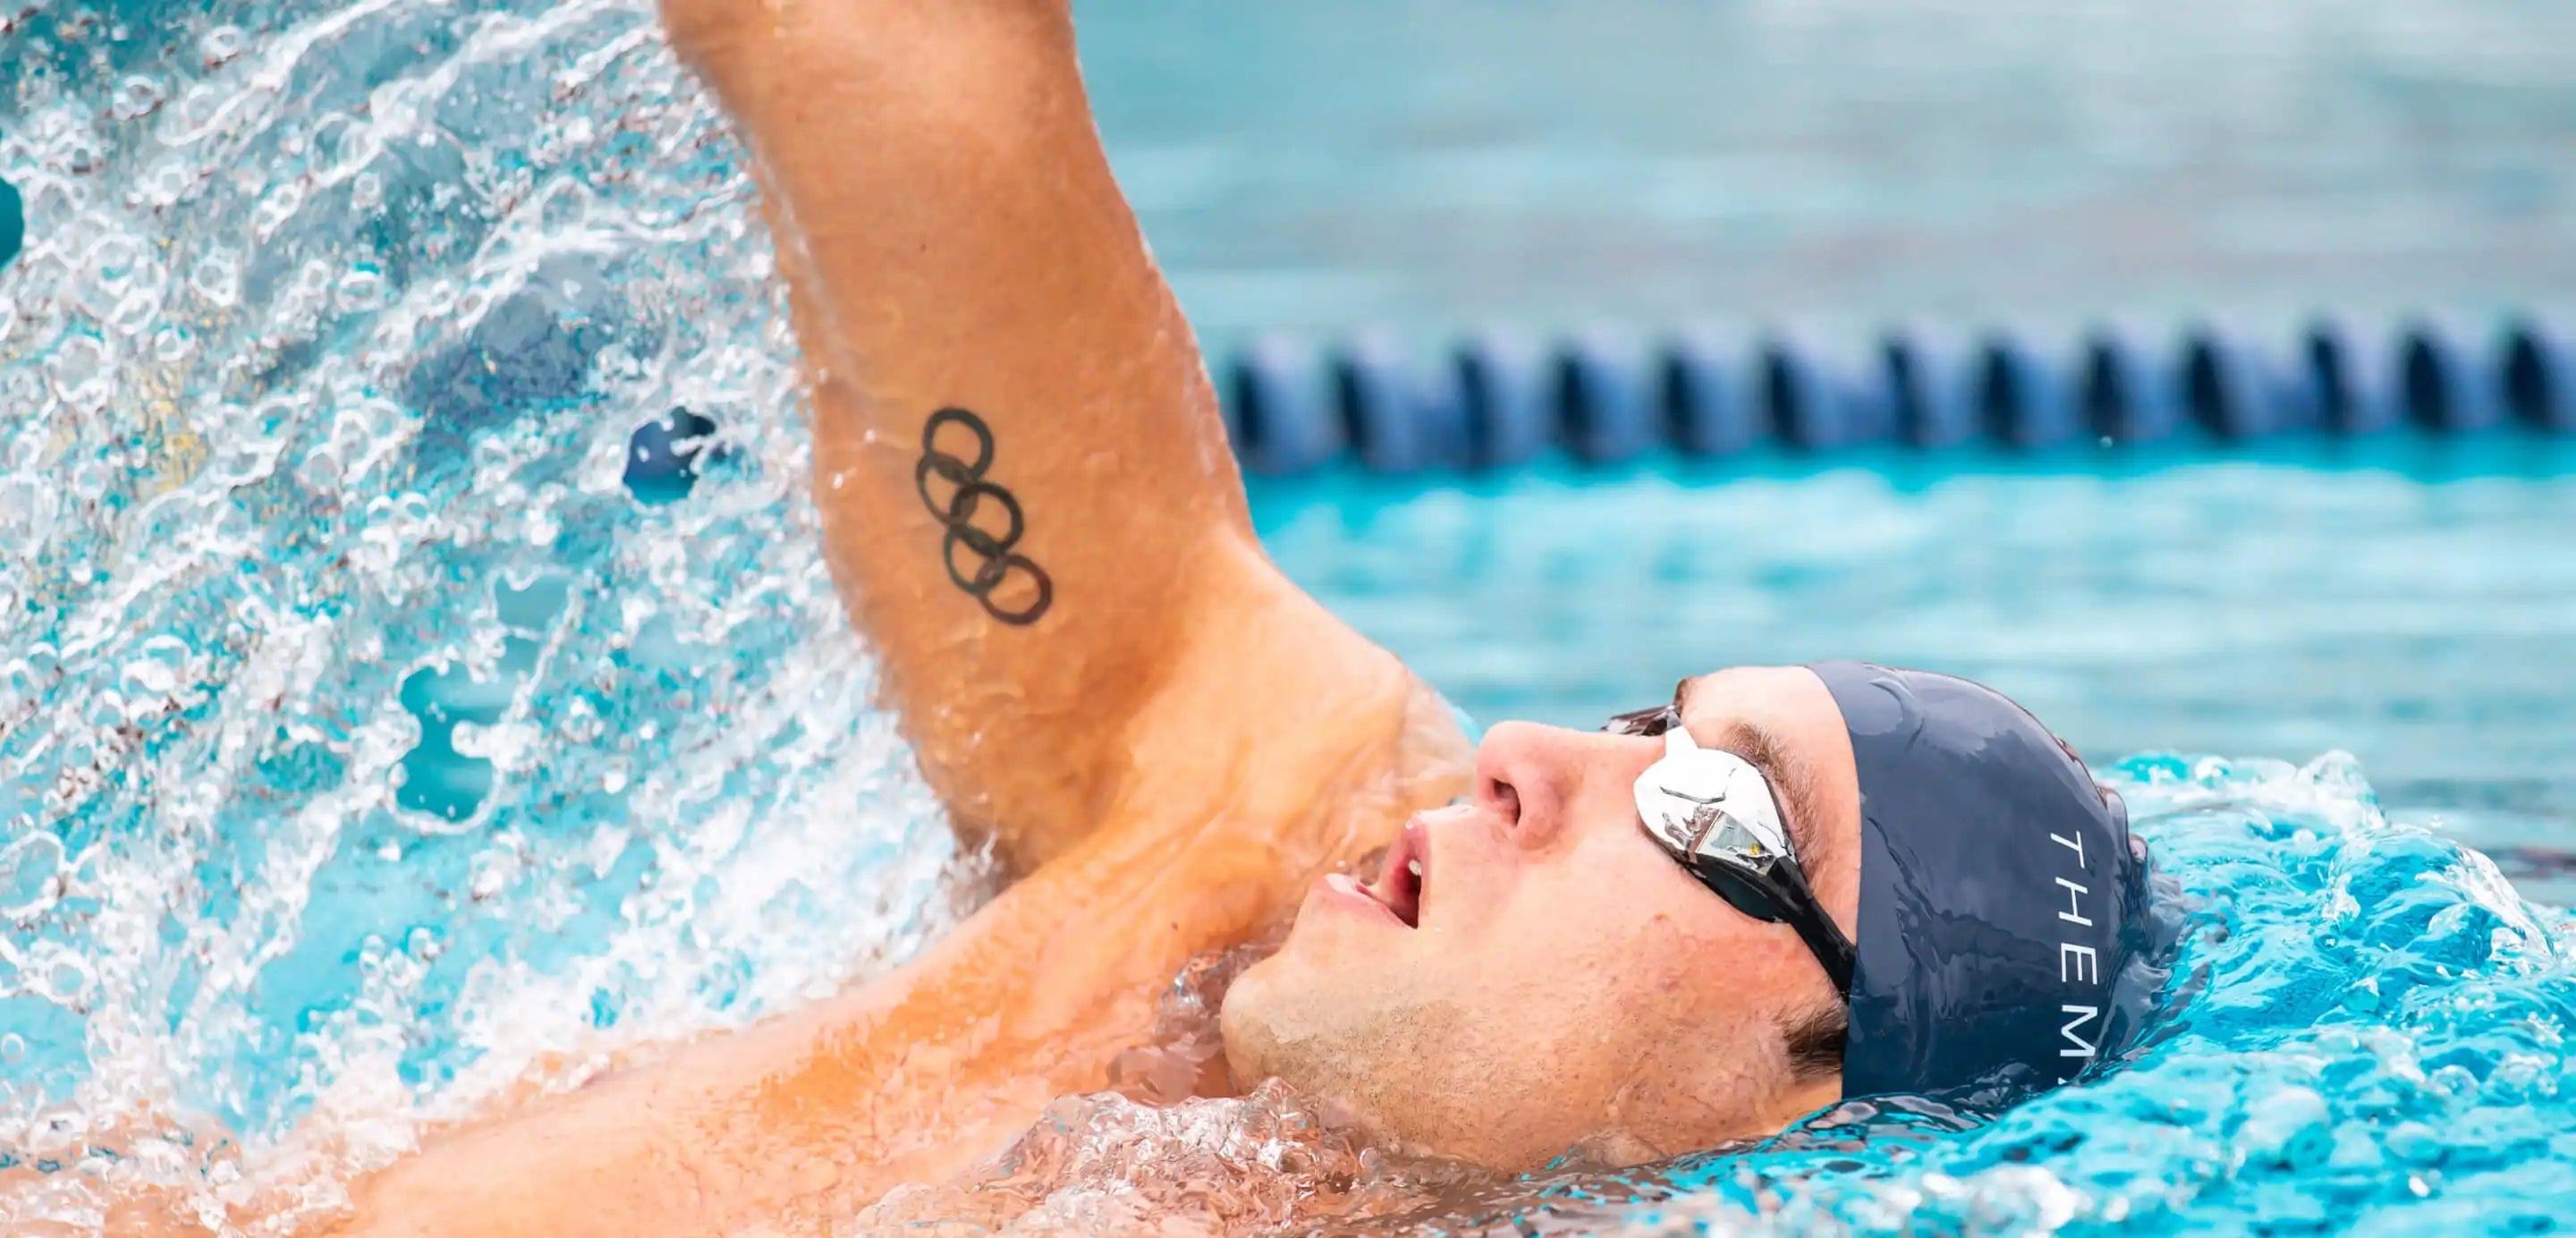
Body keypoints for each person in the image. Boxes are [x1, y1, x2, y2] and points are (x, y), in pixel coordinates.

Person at [123, 2, 2157, 1234]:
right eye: (1647, 718)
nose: (1534, 753)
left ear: (1813, 1115)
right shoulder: (1240, 802)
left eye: (1714, 810)